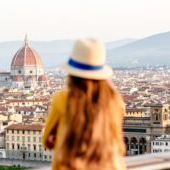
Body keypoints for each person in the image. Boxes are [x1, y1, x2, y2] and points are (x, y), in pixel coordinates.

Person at [42, 38, 126, 170]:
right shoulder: (115, 101)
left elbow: (46, 140)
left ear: (72, 73)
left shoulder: (63, 99)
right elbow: (118, 141)